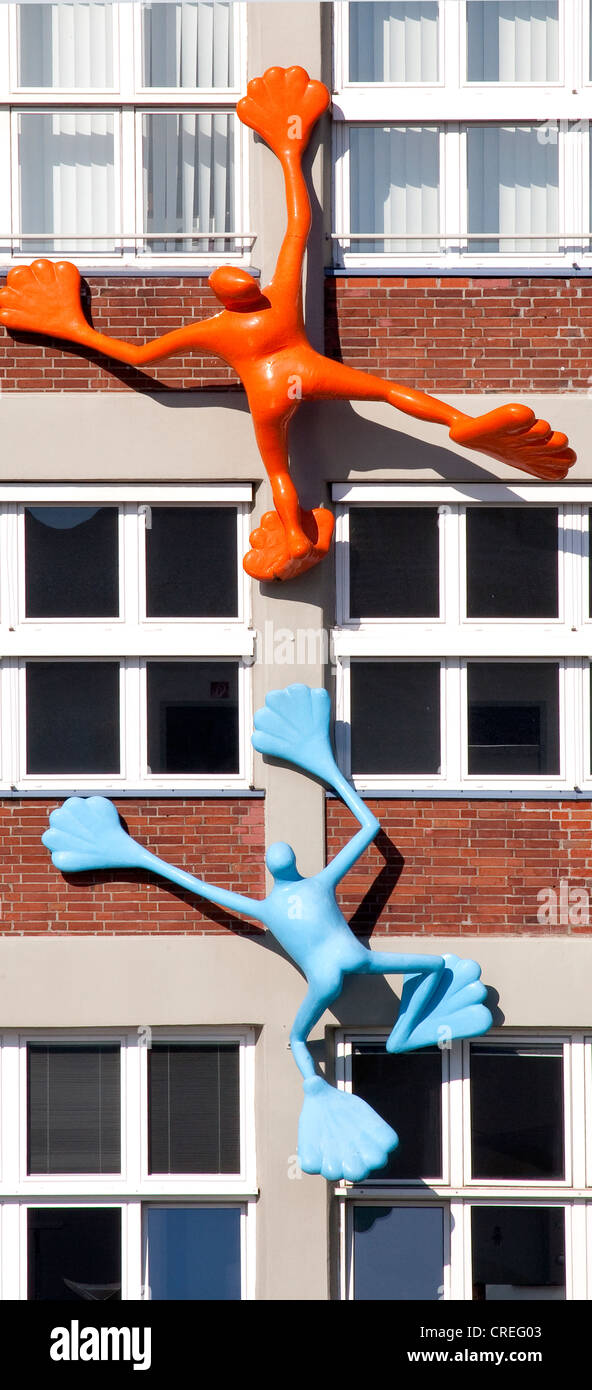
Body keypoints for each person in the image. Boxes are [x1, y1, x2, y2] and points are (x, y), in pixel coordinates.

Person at [0, 67, 576, 583]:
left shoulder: (218, 328)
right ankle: (458, 422)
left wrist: (69, 327)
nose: (249, 286)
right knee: (387, 391)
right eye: (244, 284)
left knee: (279, 467)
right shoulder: (275, 301)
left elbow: (140, 357)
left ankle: (299, 533)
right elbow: (298, 223)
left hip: (270, 393)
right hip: (305, 370)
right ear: (247, 289)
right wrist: (288, 149)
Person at [42, 683, 492, 1181]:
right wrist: (330, 774)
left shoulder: (266, 906)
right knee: (432, 966)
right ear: (294, 864)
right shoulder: (319, 883)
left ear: (270, 871)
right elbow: (370, 828)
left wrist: (138, 856)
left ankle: (316, 1085)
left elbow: (193, 883)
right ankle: (403, 1035)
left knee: (298, 1038)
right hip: (359, 961)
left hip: (326, 979)